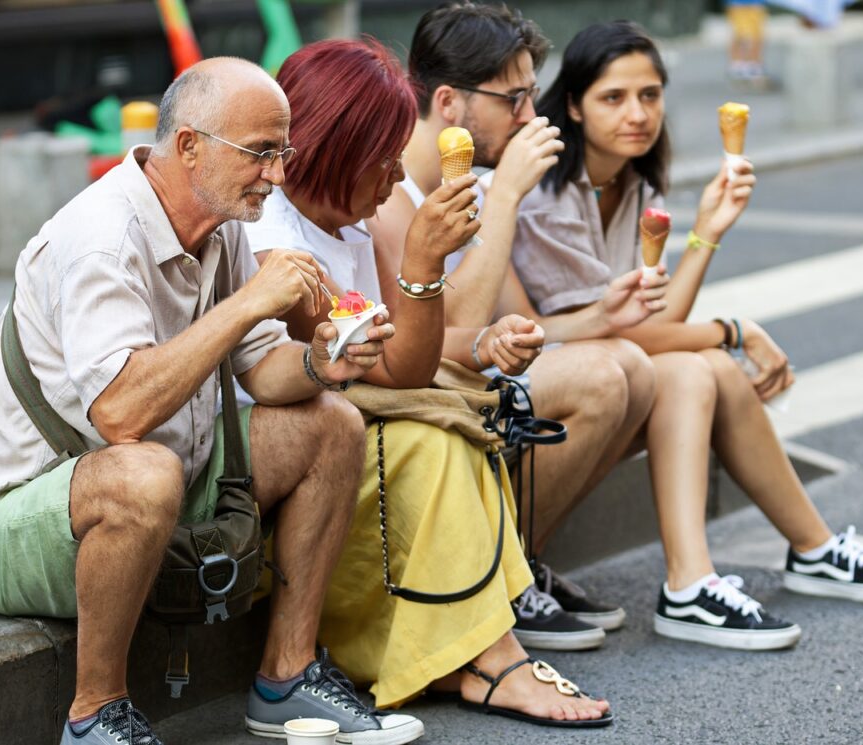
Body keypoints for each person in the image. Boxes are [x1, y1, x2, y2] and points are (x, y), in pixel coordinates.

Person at [0, 57, 426, 745]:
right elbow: (120, 414)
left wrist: (322, 362)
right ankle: (95, 715)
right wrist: (253, 300)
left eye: (282, 152)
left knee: (333, 426)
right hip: (12, 521)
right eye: (261, 153)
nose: (279, 175)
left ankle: (285, 680)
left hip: (165, 481)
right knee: (144, 471)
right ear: (190, 145)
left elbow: (261, 369)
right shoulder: (101, 239)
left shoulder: (218, 219)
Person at [511, 21, 863, 650]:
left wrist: (707, 231)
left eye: (650, 95)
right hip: (551, 393)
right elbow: (626, 335)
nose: (638, 113)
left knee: (710, 368)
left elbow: (649, 326)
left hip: (613, 376)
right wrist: (732, 330)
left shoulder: (631, 184)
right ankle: (696, 583)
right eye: (613, 97)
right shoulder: (546, 197)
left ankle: (782, 557)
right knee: (703, 363)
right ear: (573, 104)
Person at [243, 38, 613, 729]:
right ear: (334, 146)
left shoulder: (349, 226)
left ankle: (478, 654)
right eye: (380, 160)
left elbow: (402, 367)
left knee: (451, 428)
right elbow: (351, 360)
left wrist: (427, 274)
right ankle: (490, 658)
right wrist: (420, 258)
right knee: (436, 439)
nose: (391, 178)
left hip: (333, 433)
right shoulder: (271, 229)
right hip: (278, 455)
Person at [368, 0, 670, 651]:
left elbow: (517, 322)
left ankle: (516, 562)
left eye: (533, 95)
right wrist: (505, 194)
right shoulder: (389, 191)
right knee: (600, 377)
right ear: (448, 103)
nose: (532, 116)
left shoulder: (471, 183)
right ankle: (496, 577)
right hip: (403, 403)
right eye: (514, 99)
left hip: (464, 384)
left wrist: (602, 315)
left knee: (637, 371)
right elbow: (444, 343)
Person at [725, 0, 773, 89]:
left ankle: (753, 64)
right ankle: (739, 65)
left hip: (754, 3)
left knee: (755, 34)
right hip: (738, 4)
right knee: (741, 34)